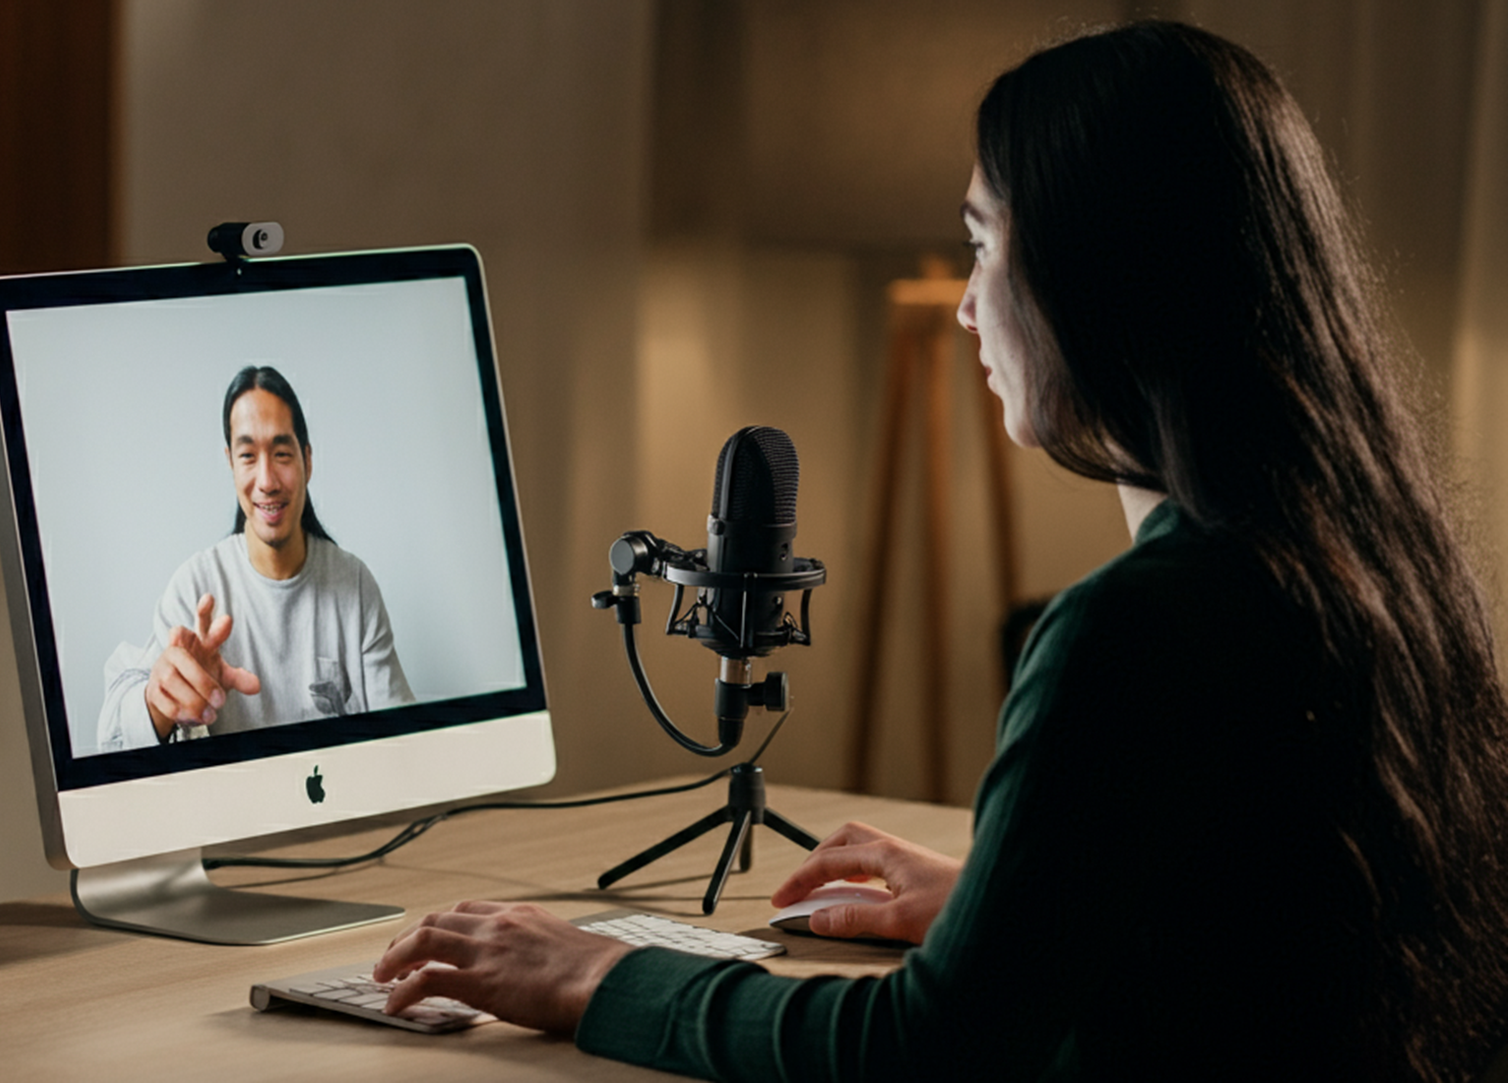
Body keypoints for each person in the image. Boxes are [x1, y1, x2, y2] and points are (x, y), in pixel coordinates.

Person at [371, 21, 1508, 1081]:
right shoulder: (1388, 570)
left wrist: (600, 975)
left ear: (1093, 273)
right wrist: (1008, 908)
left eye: (981, 243)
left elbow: (918, 1052)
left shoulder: (1135, 628)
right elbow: (1262, 934)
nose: (965, 306)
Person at [98, 365, 413, 751]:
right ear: (231, 463)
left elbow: (404, 741)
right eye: (248, 456)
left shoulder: (355, 584)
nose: (266, 481)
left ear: (307, 460)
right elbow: (114, 743)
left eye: (281, 454)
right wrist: (160, 704)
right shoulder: (196, 589)